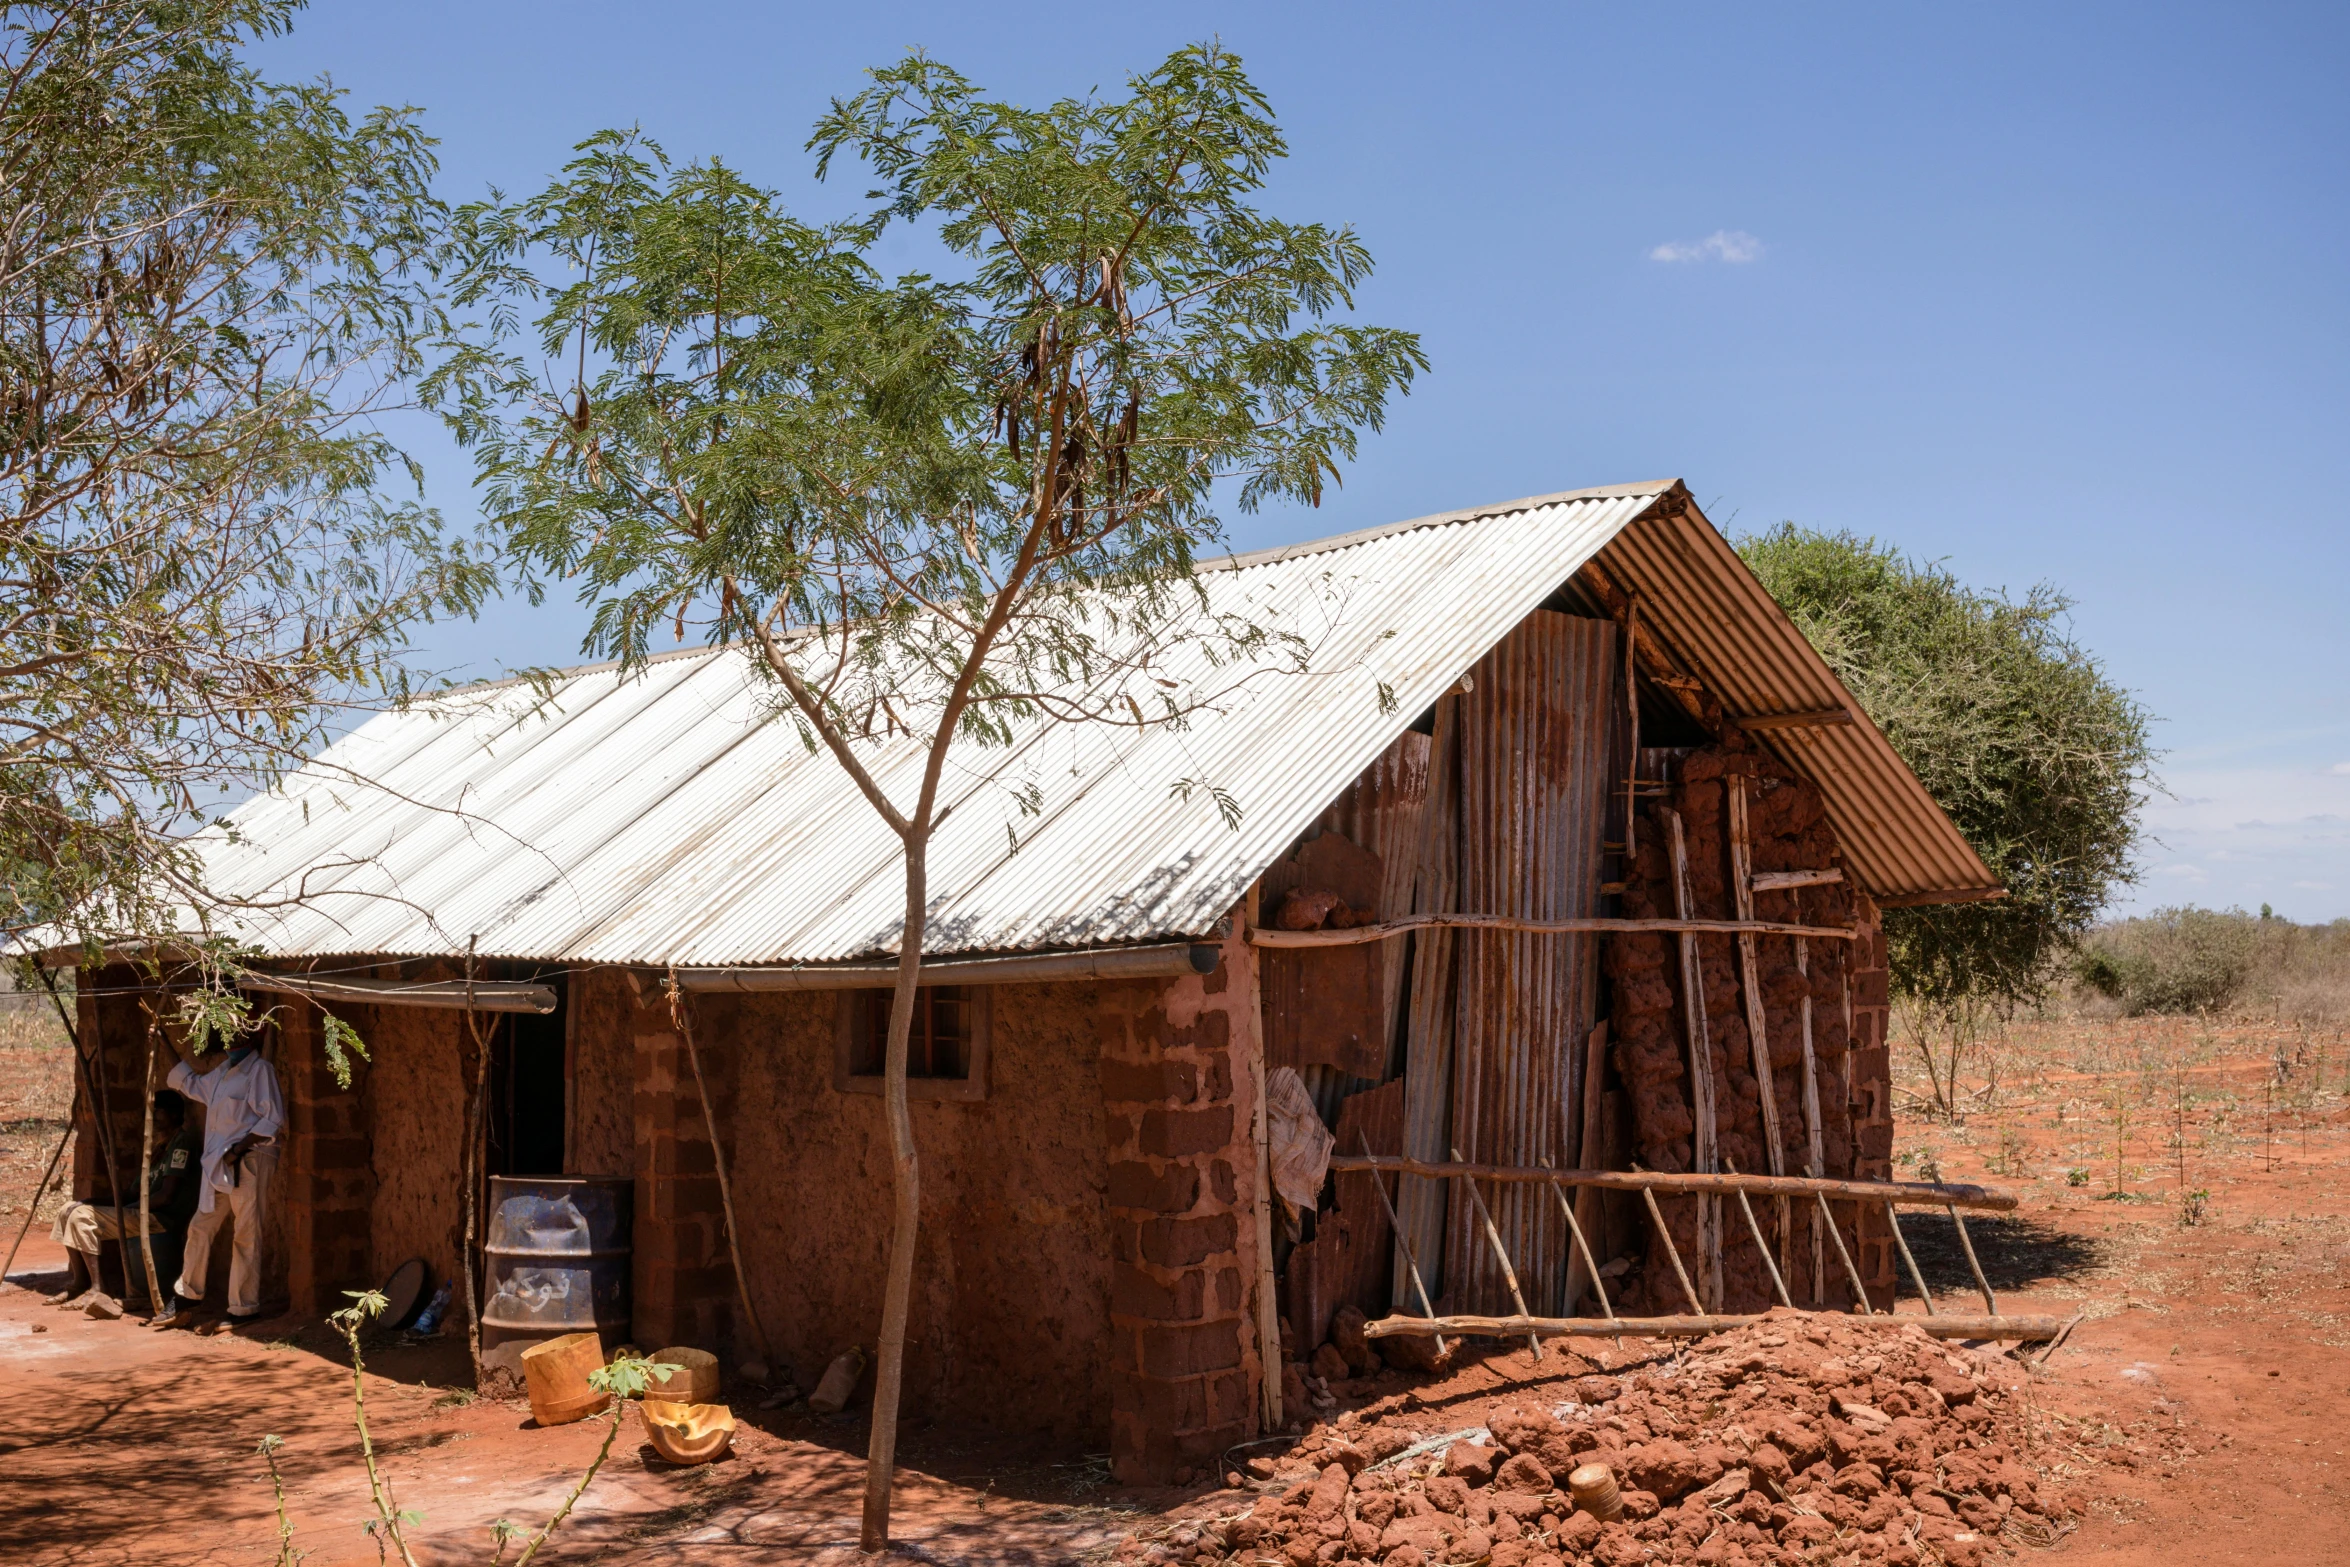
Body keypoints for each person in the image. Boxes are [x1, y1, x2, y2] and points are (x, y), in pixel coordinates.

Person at [151, 1027, 285, 1332]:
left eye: (238, 1036)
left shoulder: (259, 1070)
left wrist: (238, 1149)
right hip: (220, 1165)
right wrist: (164, 1040)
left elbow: (273, 1119)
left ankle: (243, 1308)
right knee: (200, 1226)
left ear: (254, 1038)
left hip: (248, 1161)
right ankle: (187, 1295)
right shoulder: (223, 1073)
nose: (232, 1042)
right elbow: (189, 1083)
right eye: (228, 1036)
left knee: (246, 1234)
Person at [48, 1089, 200, 1314]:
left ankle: (98, 1287)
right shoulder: (158, 1147)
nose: (152, 1119)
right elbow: (131, 1193)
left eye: (158, 1113)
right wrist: (93, 1201)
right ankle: (79, 1283)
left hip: (160, 1218)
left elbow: (166, 1196)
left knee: (82, 1217)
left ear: (175, 1116)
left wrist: (124, 1210)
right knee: (68, 1209)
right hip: (141, 1212)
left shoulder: (181, 1144)